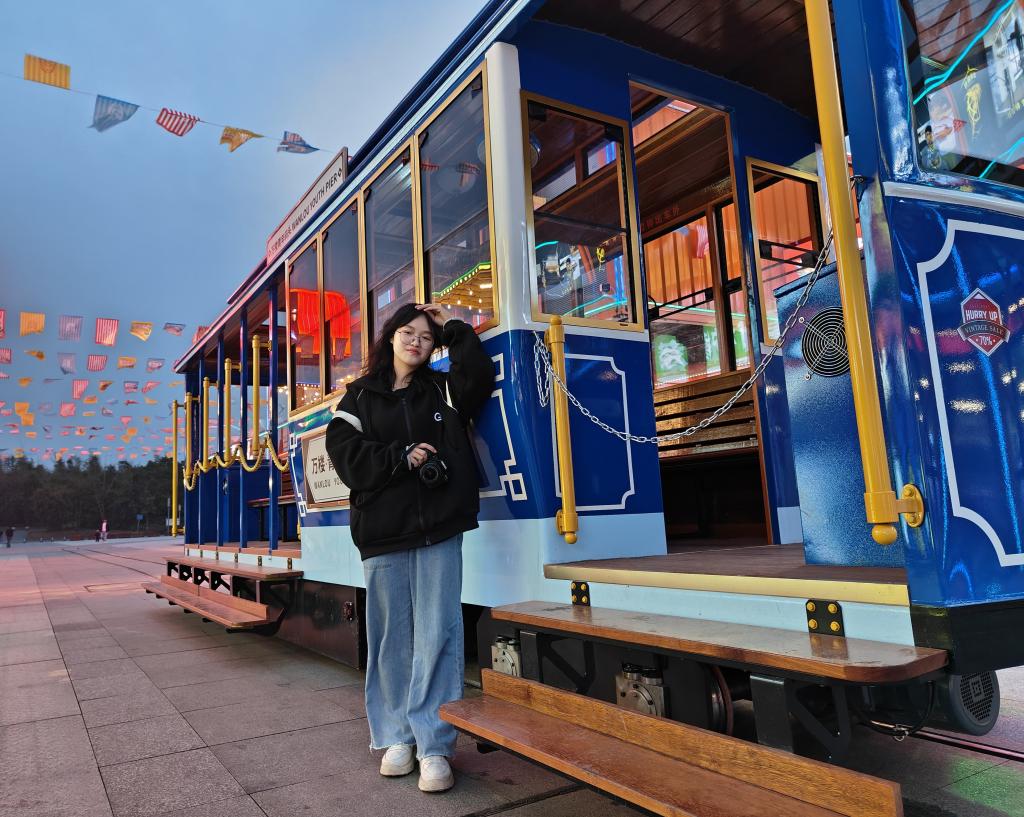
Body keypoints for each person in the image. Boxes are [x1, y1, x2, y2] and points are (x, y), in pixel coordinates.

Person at [326, 302, 494, 794]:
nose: (416, 342)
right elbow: (345, 456)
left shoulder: (442, 388)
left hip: (439, 527)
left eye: (425, 336)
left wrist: (452, 328)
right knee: (390, 639)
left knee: (439, 633)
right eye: (408, 332)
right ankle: (397, 737)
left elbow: (478, 376)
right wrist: (400, 457)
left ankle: (435, 745)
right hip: (382, 531)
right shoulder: (359, 396)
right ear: (390, 337)